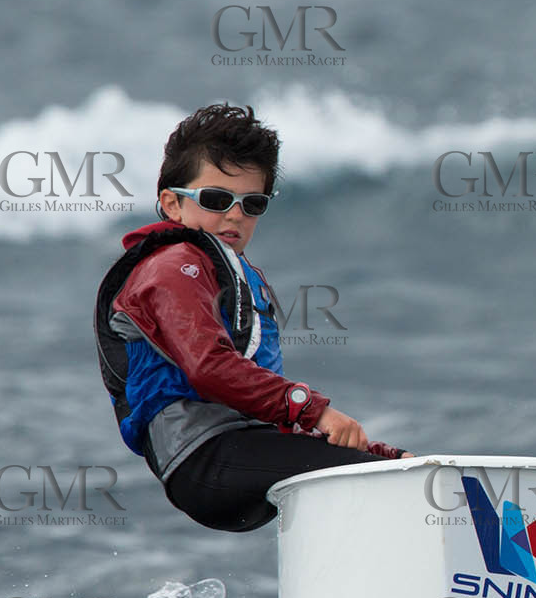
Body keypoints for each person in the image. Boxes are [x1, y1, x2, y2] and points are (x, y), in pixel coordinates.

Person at [95, 103, 411, 531]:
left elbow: (255, 406)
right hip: (203, 459)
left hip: (239, 447)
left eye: (252, 203)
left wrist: (378, 453)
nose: (235, 215)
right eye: (216, 199)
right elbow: (210, 368)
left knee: (391, 471)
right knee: (382, 485)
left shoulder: (227, 271)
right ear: (172, 204)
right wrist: (313, 410)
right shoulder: (172, 269)